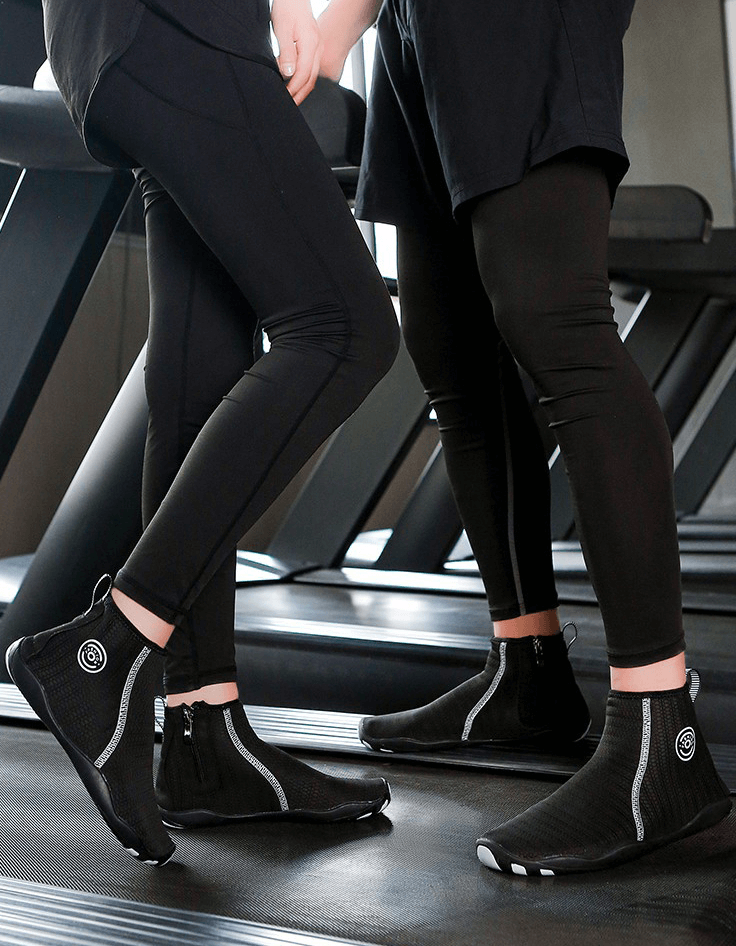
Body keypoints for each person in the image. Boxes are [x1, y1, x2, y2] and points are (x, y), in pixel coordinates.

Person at [316, 0, 731, 874]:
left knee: (557, 326)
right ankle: (529, 668)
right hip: (415, 22)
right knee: (451, 343)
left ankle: (662, 737)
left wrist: (329, 23)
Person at [6, 0, 399, 865]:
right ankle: (107, 648)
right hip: (175, 24)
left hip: (110, 42)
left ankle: (201, 735)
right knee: (347, 329)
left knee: (201, 367)